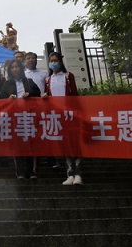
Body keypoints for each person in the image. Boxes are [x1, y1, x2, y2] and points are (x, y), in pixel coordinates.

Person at [42, 52, 81, 185]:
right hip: (57, 116)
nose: (53, 63)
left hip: (70, 114)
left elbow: (75, 94)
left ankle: (78, 173)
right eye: (51, 60)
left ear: (60, 62)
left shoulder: (68, 76)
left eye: (56, 60)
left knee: (74, 143)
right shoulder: (48, 79)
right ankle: (70, 173)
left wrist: (76, 112)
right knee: (65, 144)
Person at [2, 58, 40, 180]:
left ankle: (32, 171)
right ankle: (20, 172)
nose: (15, 69)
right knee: (17, 144)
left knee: (30, 144)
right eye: (12, 67)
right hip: (14, 117)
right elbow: (0, 99)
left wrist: (29, 94)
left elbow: (38, 95)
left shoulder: (29, 82)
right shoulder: (7, 83)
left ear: (21, 68)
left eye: (17, 67)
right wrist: (9, 98)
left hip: (28, 117)